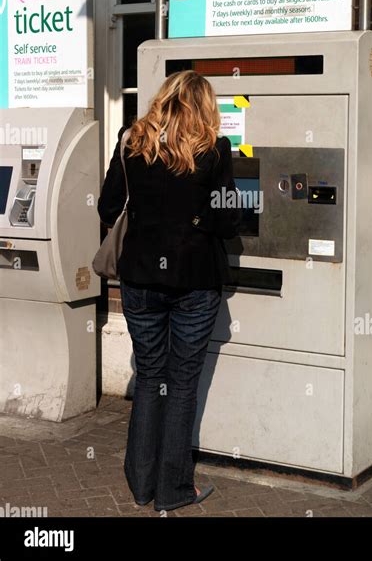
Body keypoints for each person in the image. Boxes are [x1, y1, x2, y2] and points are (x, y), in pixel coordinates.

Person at [97, 71, 241, 512]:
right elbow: (228, 220)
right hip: (194, 281)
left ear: (162, 99)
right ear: (204, 105)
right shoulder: (214, 150)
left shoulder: (130, 141)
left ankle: (141, 486)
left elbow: (106, 207)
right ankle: (174, 490)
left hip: (139, 279)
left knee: (149, 380)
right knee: (180, 385)